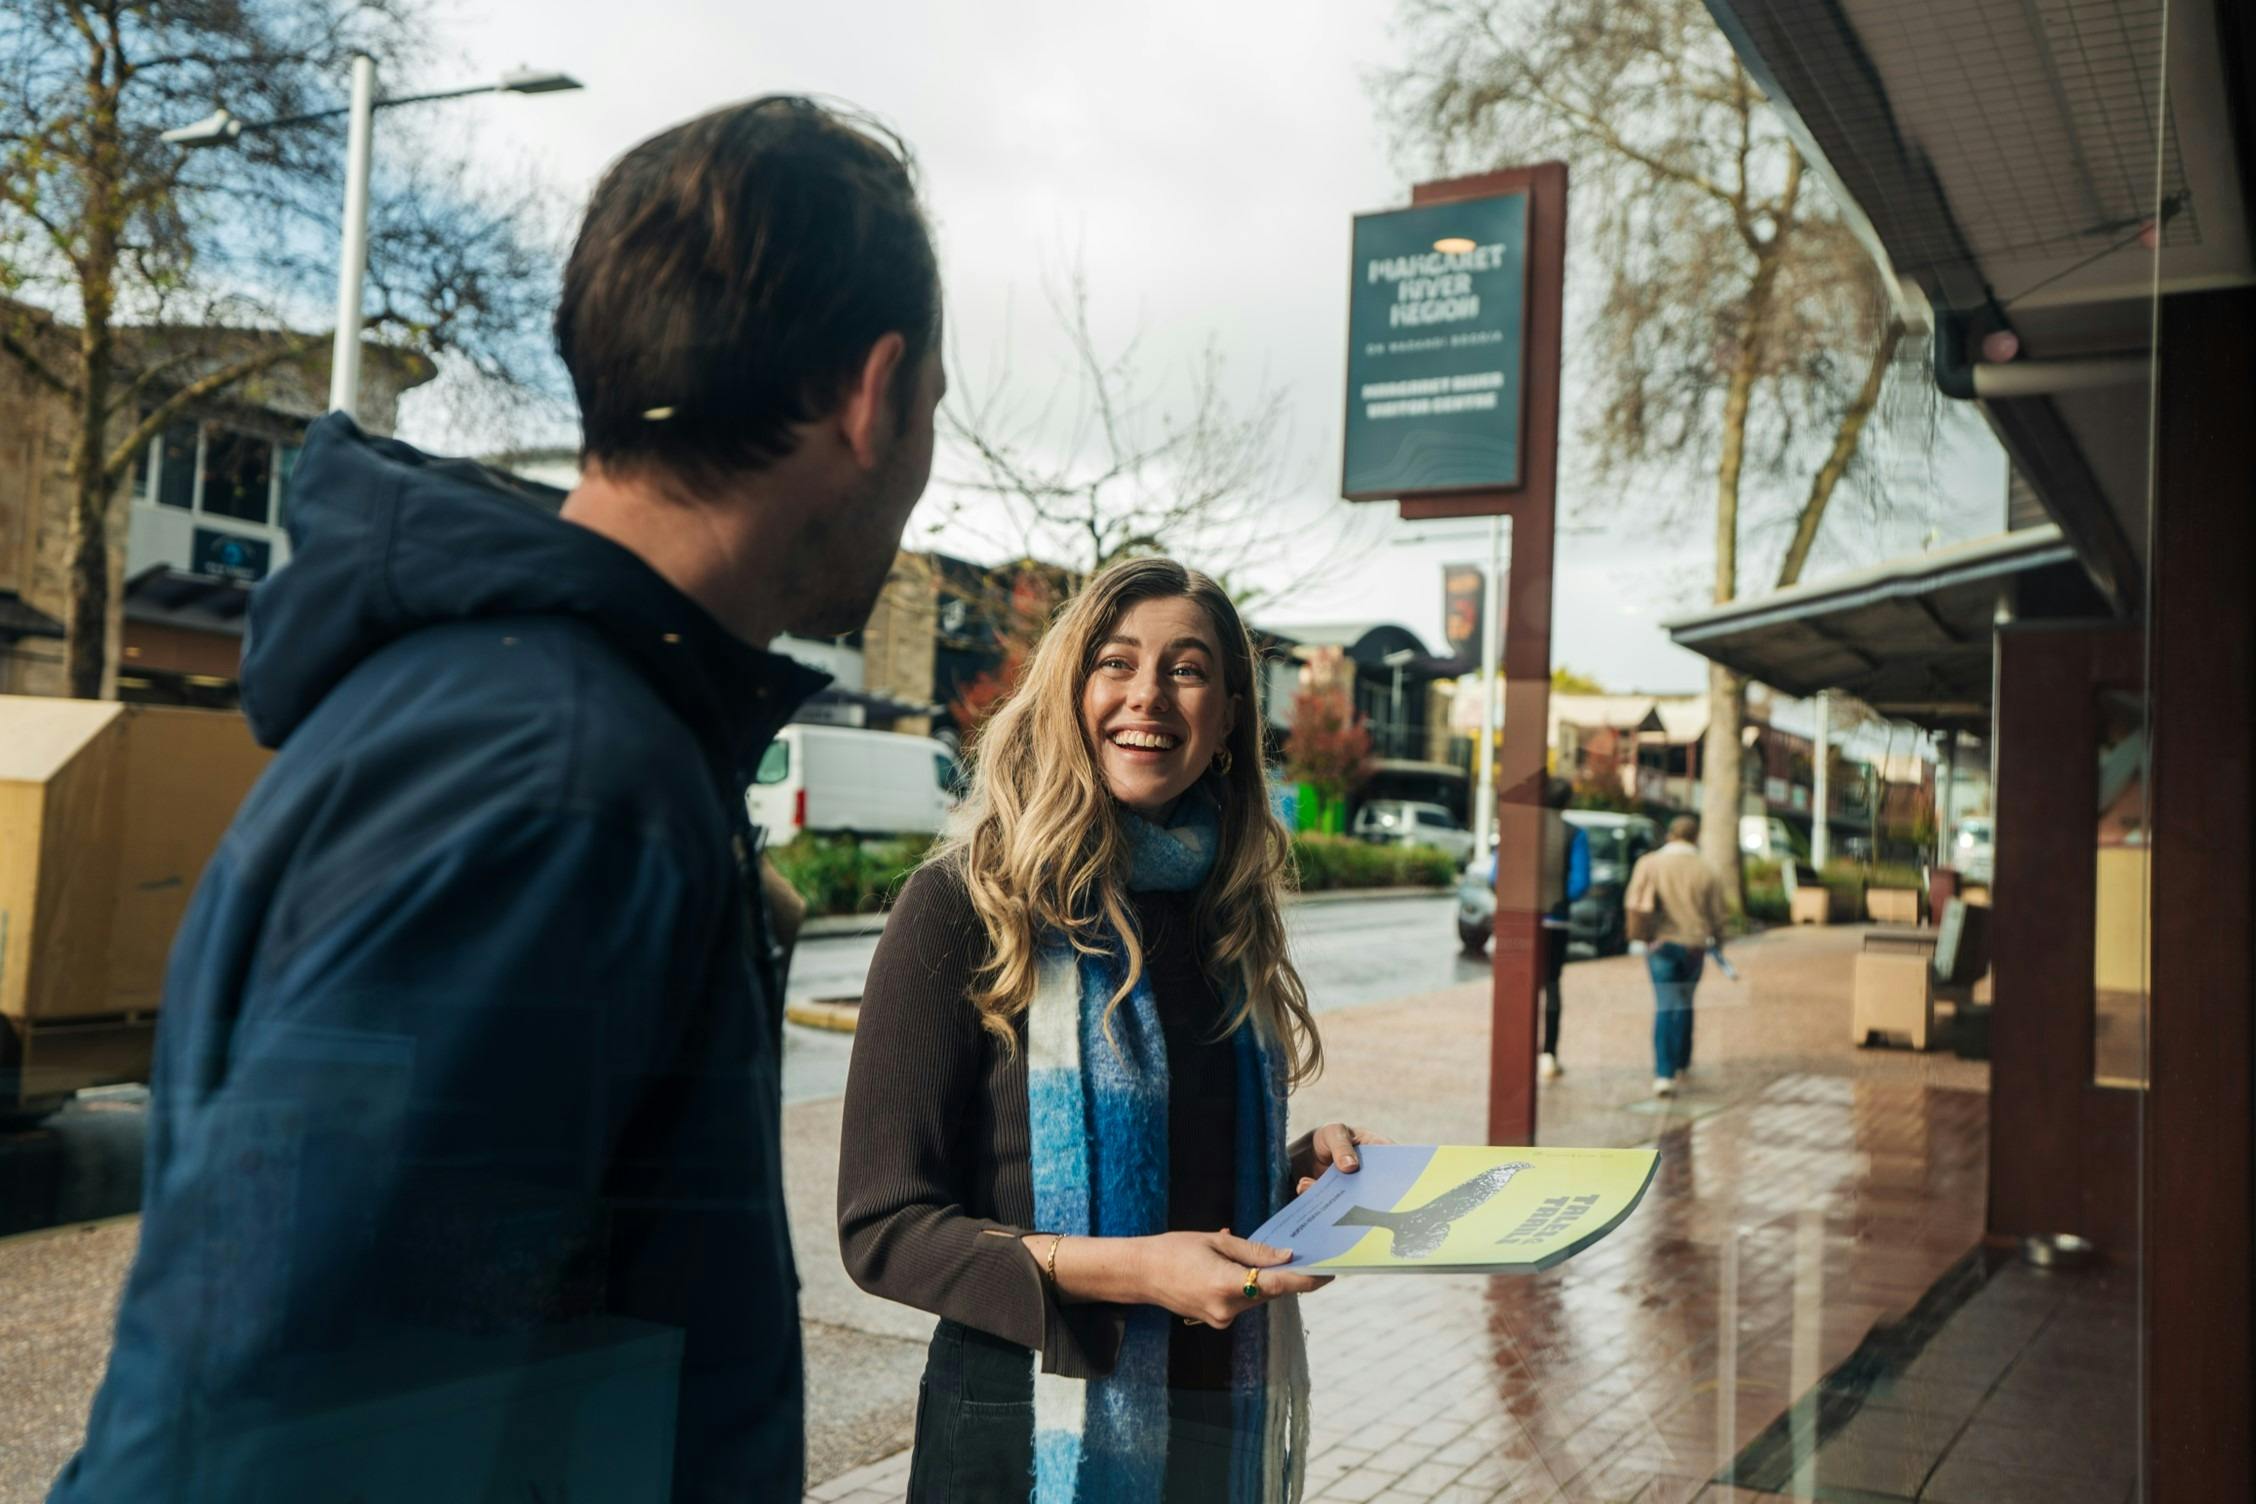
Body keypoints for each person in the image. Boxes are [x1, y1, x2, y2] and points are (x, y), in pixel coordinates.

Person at [52, 96, 944, 1503]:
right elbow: (275, 1432)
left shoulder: (538, 729)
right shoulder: (562, 794)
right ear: (875, 396)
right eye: (933, 412)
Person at [838, 557, 1386, 1502]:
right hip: (1023, 1429)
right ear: (1070, 694)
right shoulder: (967, 902)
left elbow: (1182, 1169)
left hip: (1213, 1417)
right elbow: (882, 1229)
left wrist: (1295, 1176)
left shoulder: (1228, 918)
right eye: (1116, 662)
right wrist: (1135, 1271)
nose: (1148, 695)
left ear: (1226, 719)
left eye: (1186, 668)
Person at [1623, 814, 1731, 1097]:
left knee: (1664, 1005)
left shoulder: (1649, 863)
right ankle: (1682, 1061)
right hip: (1694, 944)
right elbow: (1719, 913)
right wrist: (1718, 942)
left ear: (1671, 835)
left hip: (1660, 943)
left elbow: (1632, 899)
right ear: (1695, 837)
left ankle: (1664, 1073)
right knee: (1684, 1001)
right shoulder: (1707, 869)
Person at [1536, 778, 1592, 1081]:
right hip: (1556, 921)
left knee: (1522, 986)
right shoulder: (1574, 834)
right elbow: (1581, 882)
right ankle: (1549, 1054)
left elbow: (1496, 875)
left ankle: (1522, 1045)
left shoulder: (1520, 828)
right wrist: (1559, 898)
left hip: (1522, 922)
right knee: (1552, 984)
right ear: (1568, 801)